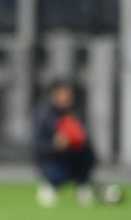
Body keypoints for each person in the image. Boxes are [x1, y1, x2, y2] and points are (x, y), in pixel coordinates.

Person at [33, 79, 97, 207]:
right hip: (54, 159)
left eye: (69, 94)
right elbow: (37, 144)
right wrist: (55, 145)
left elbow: (87, 138)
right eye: (63, 93)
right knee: (56, 175)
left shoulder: (77, 112)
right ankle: (50, 187)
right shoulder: (45, 115)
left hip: (74, 157)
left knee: (88, 155)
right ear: (55, 95)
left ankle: (82, 187)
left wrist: (77, 140)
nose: (67, 97)